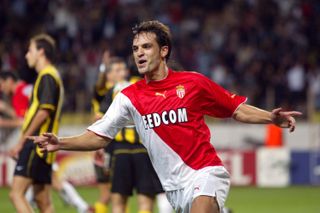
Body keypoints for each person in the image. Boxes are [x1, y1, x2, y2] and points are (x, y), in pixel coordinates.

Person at [30, 21, 302, 213]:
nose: (139, 53)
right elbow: (98, 136)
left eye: (146, 47)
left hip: (205, 172)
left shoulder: (193, 83)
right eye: (136, 48)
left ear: (163, 51)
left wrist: (271, 118)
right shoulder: (128, 97)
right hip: (173, 188)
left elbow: (236, 108)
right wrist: (60, 142)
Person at [92, 56, 164, 213]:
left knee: (118, 203)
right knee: (145, 203)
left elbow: (99, 117)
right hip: (144, 150)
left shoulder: (115, 90)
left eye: (122, 69)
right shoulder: (144, 86)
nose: (122, 72)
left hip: (120, 151)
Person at [9, 34, 64, 213]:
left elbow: (43, 112)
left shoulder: (47, 76)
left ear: (41, 52)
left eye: (30, 50)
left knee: (16, 194)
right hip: (44, 147)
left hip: (35, 144)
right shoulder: (51, 75)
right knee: (43, 201)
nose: (26, 55)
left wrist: (21, 141)